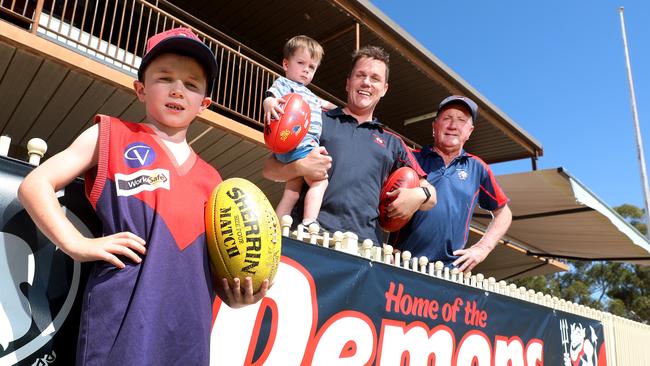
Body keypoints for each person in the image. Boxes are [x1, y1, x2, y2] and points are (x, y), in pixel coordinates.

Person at [17, 27, 267, 365]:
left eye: (191, 85)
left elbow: (209, 267)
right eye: (165, 78)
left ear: (204, 104)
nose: (178, 90)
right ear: (140, 89)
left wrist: (236, 296)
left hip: (187, 336)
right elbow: (35, 184)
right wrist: (78, 244)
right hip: (120, 325)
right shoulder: (111, 135)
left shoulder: (215, 182)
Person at [263, 46, 436, 244]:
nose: (366, 83)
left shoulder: (392, 142)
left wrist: (418, 194)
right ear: (348, 83)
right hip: (307, 238)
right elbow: (269, 169)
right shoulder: (317, 119)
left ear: (384, 89)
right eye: (360, 75)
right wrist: (299, 167)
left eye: (375, 78)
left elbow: (432, 196)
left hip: (364, 248)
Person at [390, 95, 513, 272]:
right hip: (401, 264)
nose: (453, 126)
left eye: (461, 120)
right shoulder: (410, 159)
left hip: (450, 272)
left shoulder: (478, 168)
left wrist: (482, 248)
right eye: (447, 118)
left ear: (469, 131)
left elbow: (504, 213)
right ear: (434, 126)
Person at [263, 35, 336, 227]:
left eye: (311, 67)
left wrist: (337, 108)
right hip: (300, 144)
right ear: (286, 64)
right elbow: (270, 95)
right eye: (301, 63)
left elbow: (327, 105)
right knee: (320, 182)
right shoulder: (284, 84)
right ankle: (310, 221)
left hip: (289, 150)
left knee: (292, 190)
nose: (306, 70)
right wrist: (269, 104)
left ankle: (276, 227)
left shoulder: (309, 94)